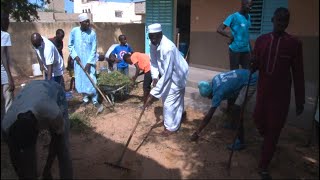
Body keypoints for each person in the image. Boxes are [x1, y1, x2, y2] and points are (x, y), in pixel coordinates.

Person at [251, 7, 305, 180]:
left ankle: (264, 165)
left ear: (287, 23)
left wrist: (300, 99)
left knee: (274, 129)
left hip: (280, 96)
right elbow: (256, 64)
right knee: (258, 119)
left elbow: (298, 73)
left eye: (285, 21)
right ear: (273, 20)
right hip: (263, 92)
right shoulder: (261, 40)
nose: (281, 24)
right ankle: (268, 142)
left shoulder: (294, 44)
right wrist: (252, 64)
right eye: (279, 20)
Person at [1, 80, 73, 179]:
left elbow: (57, 138)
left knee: (62, 146)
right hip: (30, 91)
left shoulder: (52, 112)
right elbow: (14, 157)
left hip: (52, 89)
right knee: (27, 163)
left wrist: (46, 170)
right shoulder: (6, 125)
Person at [190, 69, 258, 149]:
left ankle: (241, 142)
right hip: (245, 73)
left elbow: (209, 116)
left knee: (237, 110)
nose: (209, 99)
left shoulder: (218, 93)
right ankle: (233, 124)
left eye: (209, 97)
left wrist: (198, 131)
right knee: (232, 100)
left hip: (250, 81)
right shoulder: (215, 80)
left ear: (210, 93)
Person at [145, 23, 189, 136]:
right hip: (167, 74)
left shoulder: (168, 48)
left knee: (169, 102)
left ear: (160, 34)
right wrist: (155, 77)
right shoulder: (153, 43)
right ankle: (181, 115)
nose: (153, 40)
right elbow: (153, 62)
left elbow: (168, 74)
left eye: (155, 36)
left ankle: (171, 128)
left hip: (177, 75)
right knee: (174, 99)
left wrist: (152, 94)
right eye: (150, 37)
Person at [68, 13, 101, 108]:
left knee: (92, 79)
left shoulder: (92, 33)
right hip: (78, 62)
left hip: (89, 61)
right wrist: (74, 56)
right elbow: (70, 45)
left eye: (88, 21)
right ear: (80, 23)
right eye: (86, 22)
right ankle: (85, 98)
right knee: (81, 80)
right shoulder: (74, 31)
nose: (88, 23)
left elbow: (94, 49)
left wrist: (89, 63)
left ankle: (95, 100)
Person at [217, 0, 253, 70]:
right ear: (243, 4)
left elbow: (246, 34)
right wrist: (229, 35)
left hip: (246, 50)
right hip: (235, 50)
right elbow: (219, 29)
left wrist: (251, 50)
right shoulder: (233, 17)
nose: (250, 8)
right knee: (234, 73)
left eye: (251, 6)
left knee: (247, 72)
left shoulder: (248, 16)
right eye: (249, 5)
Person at [1, 13, 15, 119]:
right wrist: (10, 77)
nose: (8, 23)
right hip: (3, 73)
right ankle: (8, 127)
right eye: (7, 20)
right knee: (8, 101)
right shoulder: (4, 35)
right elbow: (3, 56)